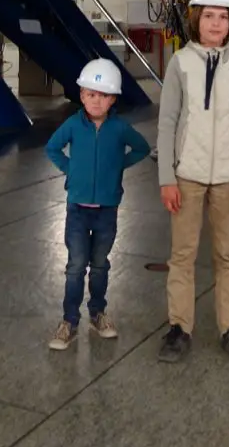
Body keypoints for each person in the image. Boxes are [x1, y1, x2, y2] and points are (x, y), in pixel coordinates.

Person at [156, 0, 229, 366]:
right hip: (187, 176)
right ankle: (179, 328)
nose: (216, 24)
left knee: (228, 257)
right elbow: (167, 123)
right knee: (182, 255)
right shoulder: (180, 63)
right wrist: (168, 176)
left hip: (228, 178)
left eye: (223, 17)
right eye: (208, 16)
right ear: (195, 19)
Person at [45, 57, 151, 351]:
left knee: (100, 265)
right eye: (90, 94)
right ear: (81, 95)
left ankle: (98, 314)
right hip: (77, 210)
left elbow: (142, 148)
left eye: (103, 96)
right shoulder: (72, 125)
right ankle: (69, 321)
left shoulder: (119, 129)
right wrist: (71, 169)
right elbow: (52, 148)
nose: (96, 101)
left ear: (113, 99)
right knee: (76, 266)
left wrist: (118, 165)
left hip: (107, 210)